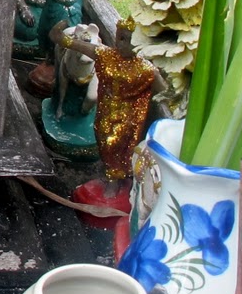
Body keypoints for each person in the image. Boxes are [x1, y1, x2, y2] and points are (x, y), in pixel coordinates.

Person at [60, 19, 166, 197]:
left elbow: (164, 92)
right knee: (103, 141)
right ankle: (112, 174)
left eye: (130, 40)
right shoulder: (106, 55)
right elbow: (76, 45)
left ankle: (114, 181)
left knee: (115, 145)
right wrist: (63, 38)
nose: (122, 44)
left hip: (127, 119)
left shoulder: (146, 70)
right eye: (121, 38)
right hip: (105, 112)